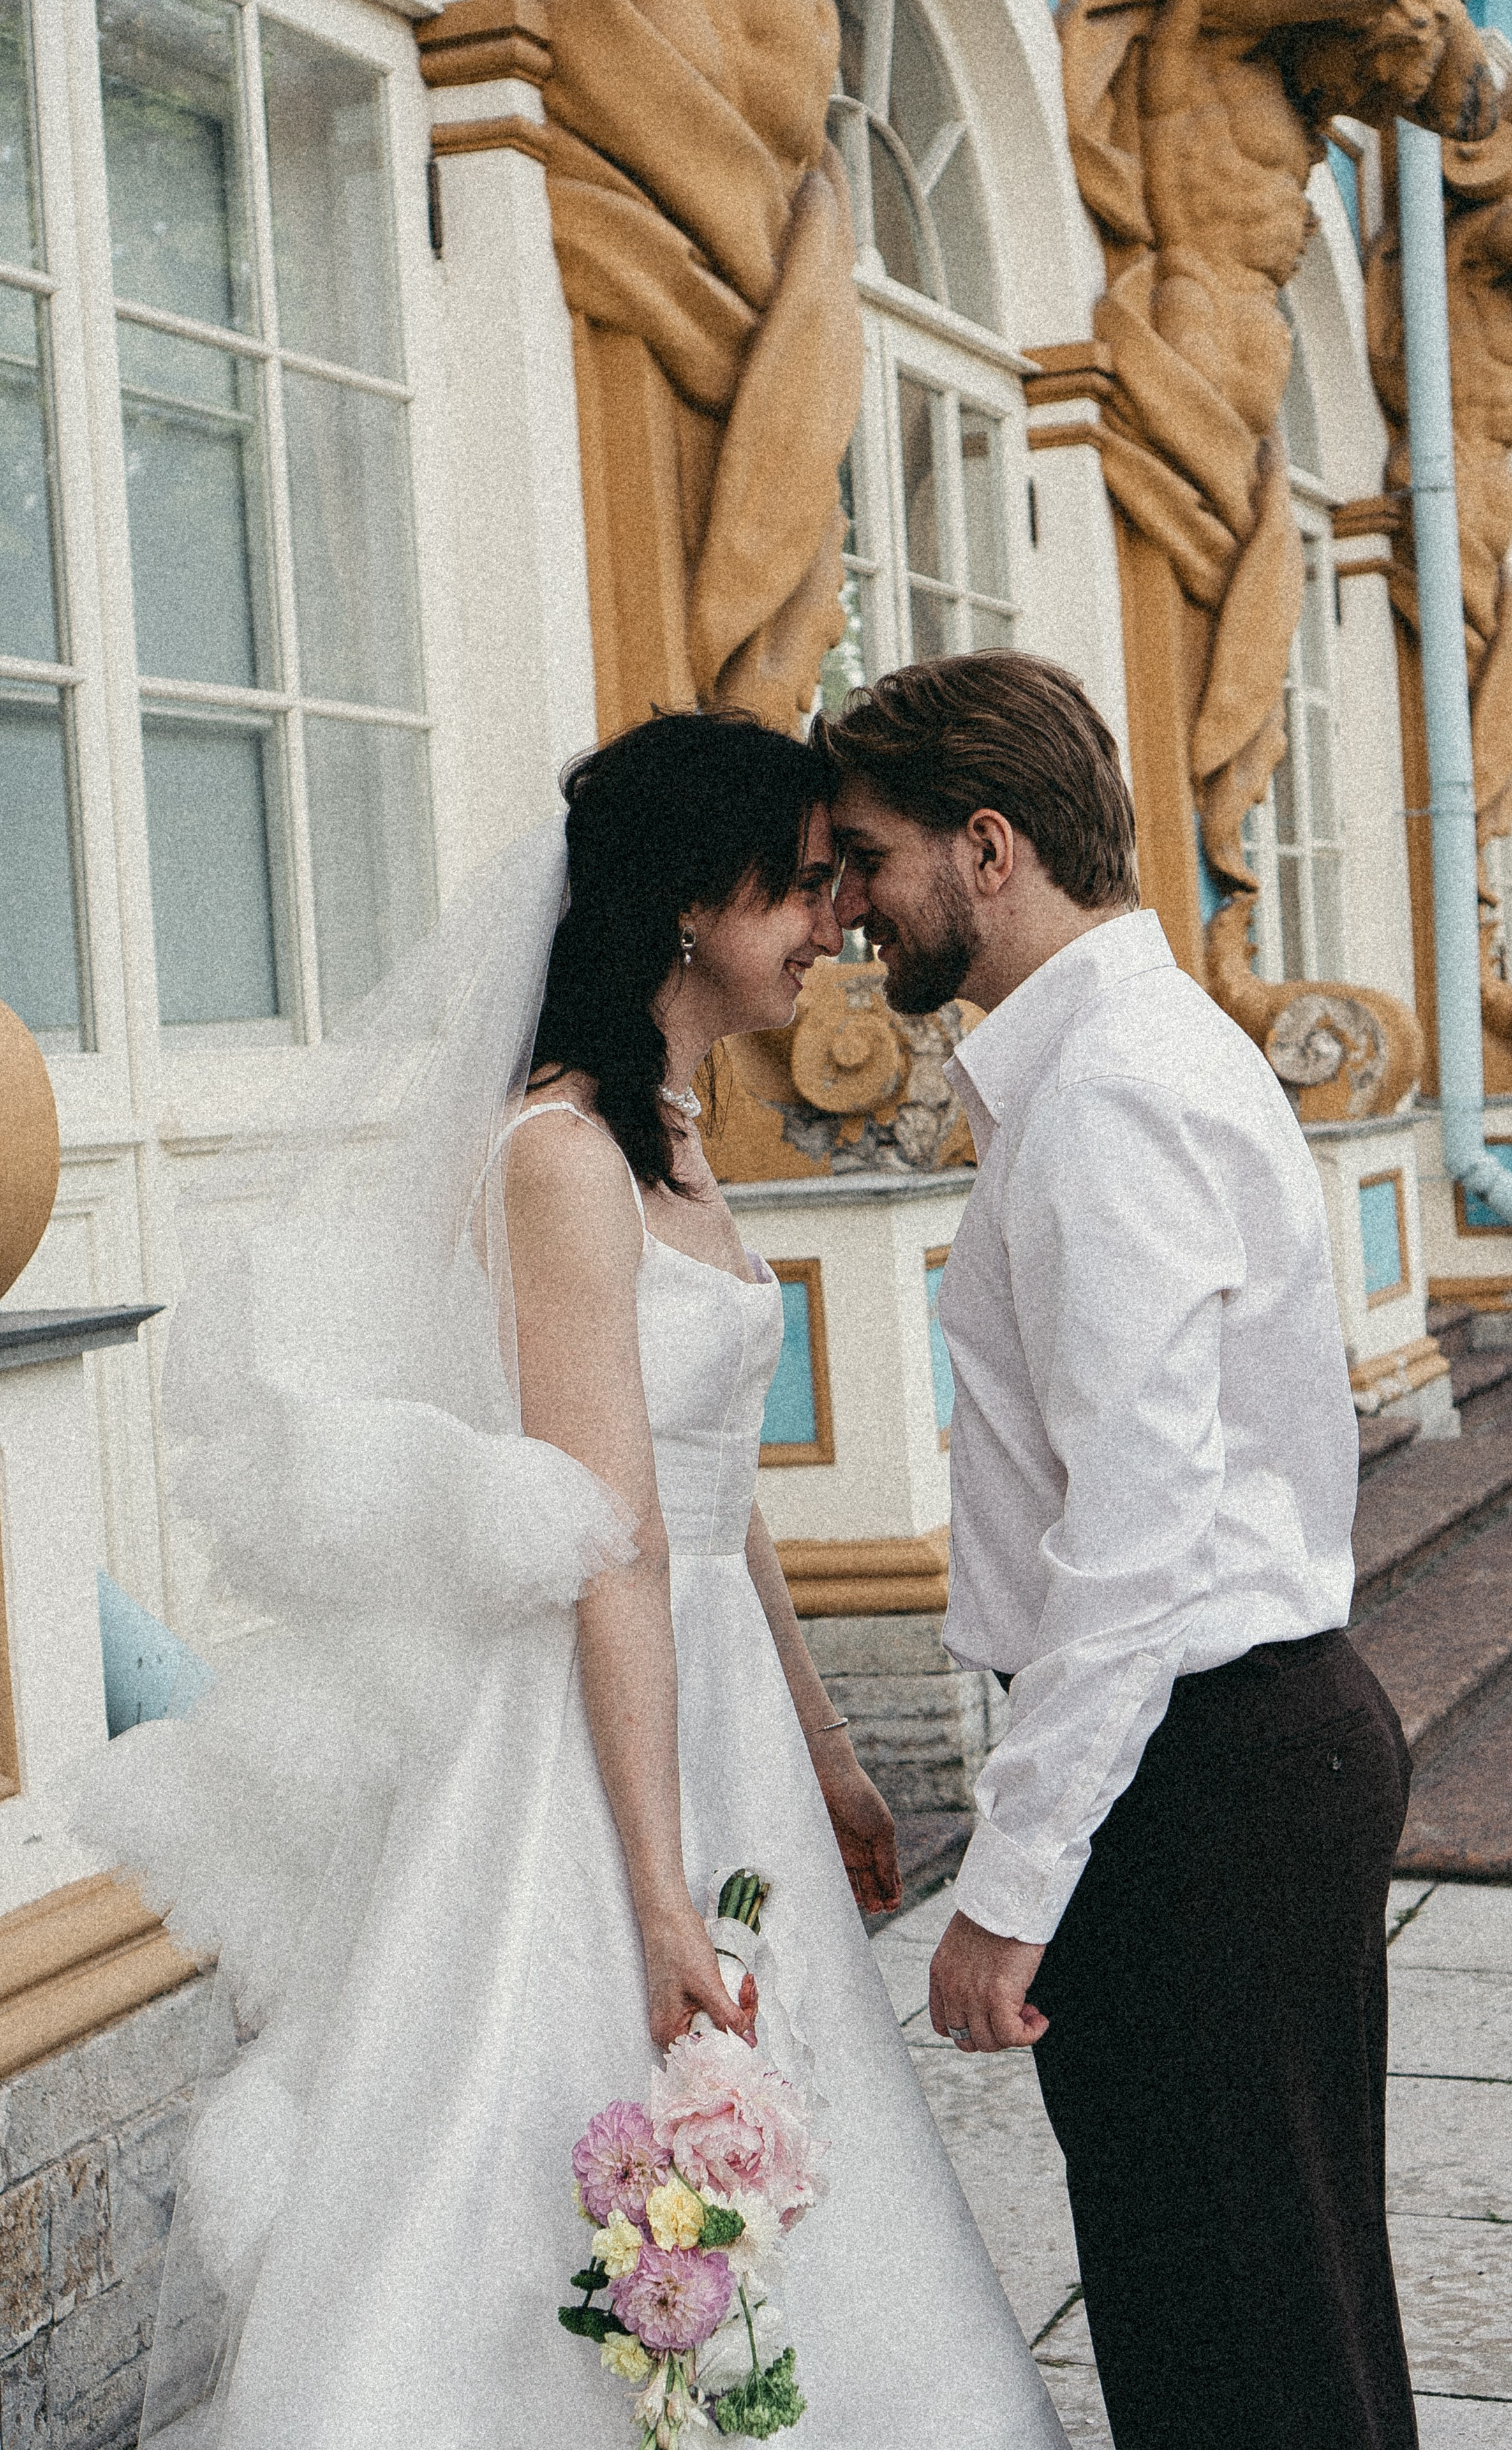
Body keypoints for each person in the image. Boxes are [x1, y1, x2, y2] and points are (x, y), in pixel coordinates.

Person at [80, 710, 1070, 2449]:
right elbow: (606, 1542)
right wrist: (661, 1893)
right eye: (803, 889)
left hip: (721, 1696)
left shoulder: (679, 1144)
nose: (831, 926)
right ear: (696, 907)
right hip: (586, 1725)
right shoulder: (560, 1158)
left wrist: (828, 1744)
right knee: (564, 2092)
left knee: (785, 2117)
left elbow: (717, 1497)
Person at [817, 651, 1418, 2450]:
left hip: (1204, 1771)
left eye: (868, 858)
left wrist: (1009, 1889)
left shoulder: (1111, 1094)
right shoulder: (1113, 1062)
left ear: (986, 848)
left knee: (1241, 2344)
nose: (848, 908)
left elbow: (1135, 1537)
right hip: (1227, 1752)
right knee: (1261, 2319)